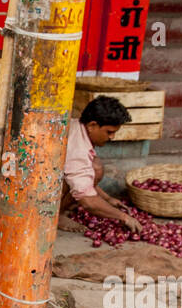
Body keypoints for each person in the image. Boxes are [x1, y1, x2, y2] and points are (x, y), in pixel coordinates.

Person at [59, 96, 142, 234]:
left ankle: (58, 211)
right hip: (31, 187)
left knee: (95, 166)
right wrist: (124, 217)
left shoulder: (78, 127)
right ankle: (53, 216)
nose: (112, 137)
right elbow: (88, 201)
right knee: (92, 170)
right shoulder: (78, 150)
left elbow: (84, 177)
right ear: (92, 125)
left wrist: (107, 198)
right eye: (109, 132)